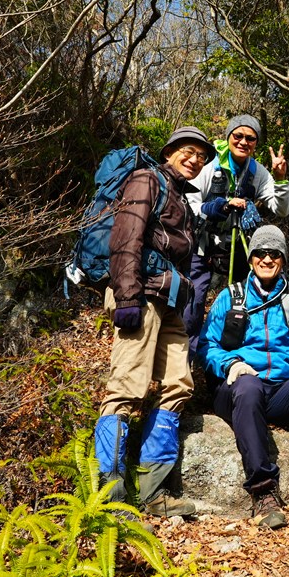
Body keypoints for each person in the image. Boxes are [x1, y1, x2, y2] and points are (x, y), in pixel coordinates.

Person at [94, 126, 215, 518]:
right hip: (140, 295)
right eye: (188, 151)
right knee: (126, 388)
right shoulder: (148, 179)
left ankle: (153, 491)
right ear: (170, 152)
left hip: (169, 304)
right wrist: (127, 296)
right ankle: (110, 498)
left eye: (201, 156)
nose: (195, 160)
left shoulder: (181, 196)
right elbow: (125, 237)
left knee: (178, 384)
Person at [197, 224, 289, 529]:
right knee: (248, 386)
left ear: (283, 259)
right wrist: (230, 363)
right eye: (260, 252)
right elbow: (206, 347)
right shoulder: (230, 296)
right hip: (239, 388)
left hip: (281, 390)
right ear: (251, 258)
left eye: (274, 253)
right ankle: (262, 490)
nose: (266, 259)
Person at [184, 115, 289, 348]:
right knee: (193, 303)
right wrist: (220, 206)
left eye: (250, 138)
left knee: (244, 301)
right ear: (228, 137)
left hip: (238, 245)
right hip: (202, 244)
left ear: (256, 143)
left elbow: (281, 209)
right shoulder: (208, 165)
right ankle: (189, 357)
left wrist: (280, 179)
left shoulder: (257, 172)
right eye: (238, 136)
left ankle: (239, 349)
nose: (243, 142)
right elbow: (190, 206)